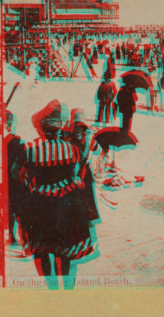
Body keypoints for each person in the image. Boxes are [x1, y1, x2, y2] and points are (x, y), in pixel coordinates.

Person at [19, 100, 98, 289]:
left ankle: (52, 290)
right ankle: (68, 291)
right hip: (67, 205)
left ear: (42, 128)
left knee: (43, 250)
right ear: (61, 127)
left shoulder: (31, 149)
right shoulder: (72, 150)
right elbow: (75, 175)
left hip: (41, 205)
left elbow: (22, 177)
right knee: (66, 251)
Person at [4, 111, 25, 245]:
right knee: (16, 209)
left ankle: (11, 236)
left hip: (7, 180)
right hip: (15, 181)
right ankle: (13, 236)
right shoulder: (19, 141)